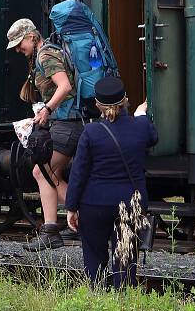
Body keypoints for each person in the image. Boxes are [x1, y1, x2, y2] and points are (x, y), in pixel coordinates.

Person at [66, 77, 157, 288]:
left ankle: (97, 300)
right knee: (125, 261)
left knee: (94, 258)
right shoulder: (141, 127)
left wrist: (71, 207)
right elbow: (153, 137)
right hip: (129, 204)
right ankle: (123, 304)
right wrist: (141, 115)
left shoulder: (90, 132)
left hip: (94, 204)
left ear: (98, 105)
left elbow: (78, 173)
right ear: (126, 100)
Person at [6, 18, 84, 251]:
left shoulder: (45, 54)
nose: (19, 50)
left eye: (20, 44)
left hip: (68, 123)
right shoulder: (46, 52)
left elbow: (64, 87)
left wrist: (47, 109)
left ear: (31, 36)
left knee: (42, 171)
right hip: (68, 122)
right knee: (52, 173)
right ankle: (78, 222)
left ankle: (56, 229)